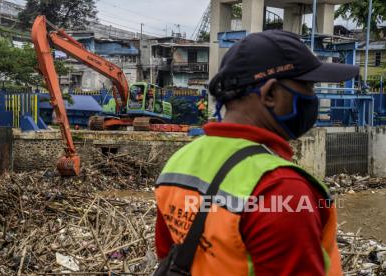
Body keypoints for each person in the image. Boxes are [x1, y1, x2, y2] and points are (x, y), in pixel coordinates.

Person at [154, 30, 359, 275]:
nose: (312, 97)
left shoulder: (180, 161)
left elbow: (168, 253)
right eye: (307, 86)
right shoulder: (282, 189)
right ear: (270, 93)